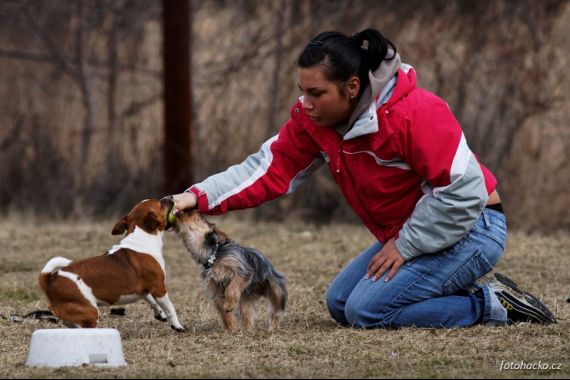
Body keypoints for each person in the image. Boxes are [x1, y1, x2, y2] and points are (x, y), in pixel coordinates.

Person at [168, 28, 556, 328]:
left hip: (474, 226)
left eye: (316, 93)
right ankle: (448, 284)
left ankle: (492, 304)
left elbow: (465, 191)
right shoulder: (315, 122)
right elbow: (266, 169)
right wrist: (197, 197)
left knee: (366, 311)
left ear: (352, 87)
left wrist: (405, 246)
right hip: (418, 232)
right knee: (340, 304)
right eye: (302, 92)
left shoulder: (415, 113)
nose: (305, 104)